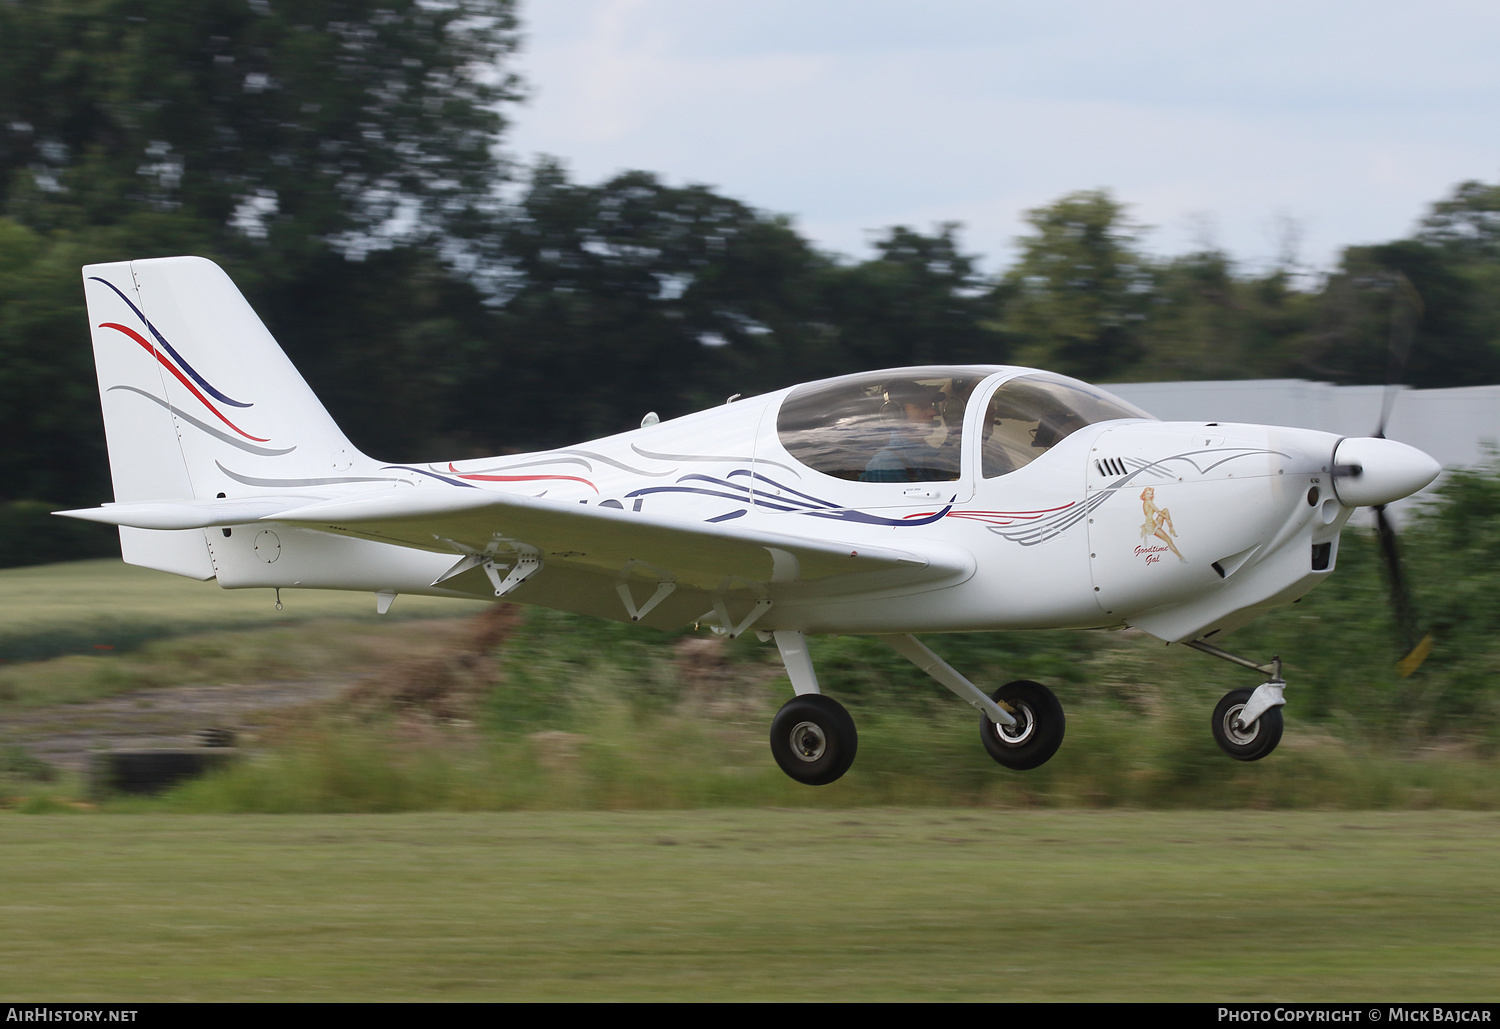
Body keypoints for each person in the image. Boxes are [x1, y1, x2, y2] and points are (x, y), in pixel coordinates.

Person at [861, 381, 955, 482]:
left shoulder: (931, 455)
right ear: (895, 414)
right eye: (922, 407)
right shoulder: (887, 464)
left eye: (931, 405)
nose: (933, 412)